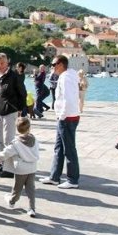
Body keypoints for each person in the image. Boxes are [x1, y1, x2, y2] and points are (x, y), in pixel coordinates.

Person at [40, 55, 81, 189]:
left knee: (69, 149)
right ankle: (54, 177)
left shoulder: (65, 78)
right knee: (59, 147)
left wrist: (62, 116)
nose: (52, 67)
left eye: (53, 64)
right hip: (66, 117)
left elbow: (68, 99)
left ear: (61, 64)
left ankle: (72, 180)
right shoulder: (68, 76)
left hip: (67, 118)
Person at [0, 117, 39, 217]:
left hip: (20, 169)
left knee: (17, 188)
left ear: (17, 129)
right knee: (31, 188)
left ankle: (12, 201)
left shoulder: (16, 143)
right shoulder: (35, 140)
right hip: (32, 167)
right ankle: (32, 208)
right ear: (29, 128)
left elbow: (6, 153)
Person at [0, 53, 26, 178]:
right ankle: (4, 165)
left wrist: (20, 109)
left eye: (2, 63)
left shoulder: (14, 76)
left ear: (7, 63)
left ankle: (10, 169)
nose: (0, 66)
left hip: (10, 112)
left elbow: (22, 93)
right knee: (1, 141)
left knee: (8, 141)